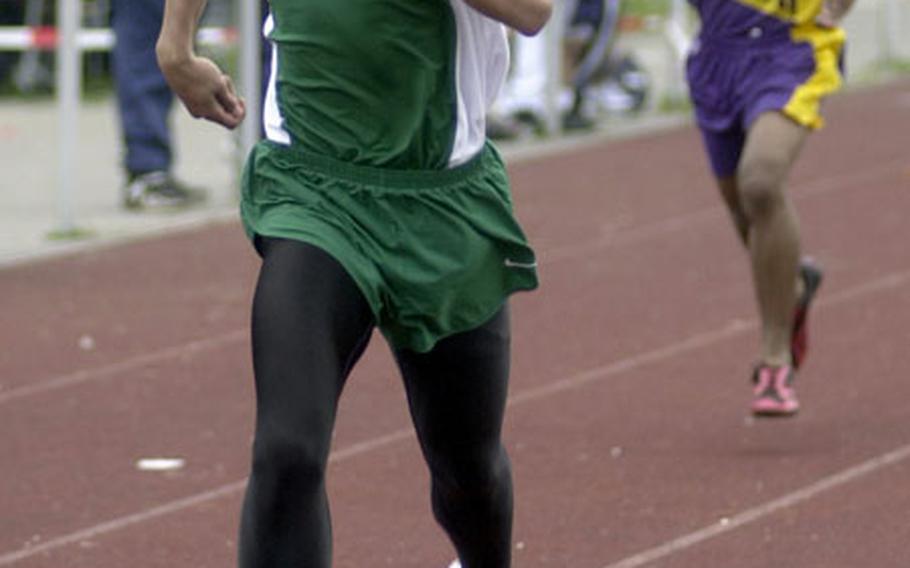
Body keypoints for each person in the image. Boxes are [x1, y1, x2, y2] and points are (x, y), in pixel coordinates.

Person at [157, 0, 550, 566]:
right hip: (314, 189)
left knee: (469, 470)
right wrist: (176, 44)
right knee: (287, 451)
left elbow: (533, 10)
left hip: (441, 200)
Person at [685, 0, 855, 417]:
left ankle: (775, 360)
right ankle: (793, 286)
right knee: (744, 207)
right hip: (718, 56)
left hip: (790, 48)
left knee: (760, 182)